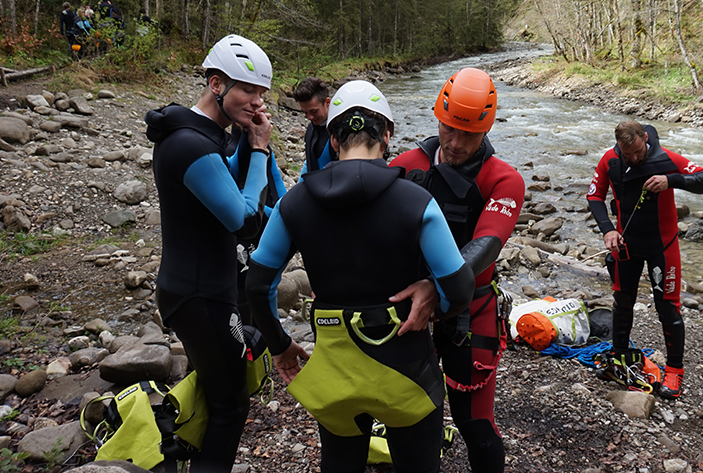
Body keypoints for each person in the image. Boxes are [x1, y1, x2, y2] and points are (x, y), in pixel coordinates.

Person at [246, 80, 475, 473]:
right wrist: (435, 303)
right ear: (386, 136)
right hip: (406, 368)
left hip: (336, 371)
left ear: (333, 141)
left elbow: (258, 285)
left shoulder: (293, 203)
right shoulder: (417, 201)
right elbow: (459, 286)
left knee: (340, 462)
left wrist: (281, 345)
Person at [144, 34, 274, 473]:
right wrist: (257, 149)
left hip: (199, 288)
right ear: (216, 84)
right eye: (247, 90)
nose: (255, 102)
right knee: (230, 407)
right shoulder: (189, 144)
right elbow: (239, 215)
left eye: (261, 93)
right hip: (200, 295)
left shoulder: (203, 136)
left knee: (220, 392)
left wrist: (244, 143)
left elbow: (223, 188)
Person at [390, 67, 525, 473]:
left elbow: (485, 245)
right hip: (408, 309)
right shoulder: (405, 164)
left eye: (470, 134)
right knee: (412, 420)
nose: (456, 143)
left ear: (487, 130)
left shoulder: (504, 179)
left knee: (476, 427)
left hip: (471, 310)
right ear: (438, 118)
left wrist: (437, 286)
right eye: (449, 129)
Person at [586, 121, 703, 400]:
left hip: (663, 246)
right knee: (622, 301)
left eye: (637, 151)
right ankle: (619, 357)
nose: (634, 158)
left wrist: (671, 180)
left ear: (645, 138)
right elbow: (594, 196)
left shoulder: (667, 158)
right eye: (628, 154)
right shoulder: (610, 161)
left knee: (667, 308)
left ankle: (674, 370)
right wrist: (608, 229)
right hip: (626, 246)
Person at [292, 76, 337, 174]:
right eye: (305, 113)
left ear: (327, 103)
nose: (310, 117)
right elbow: (308, 163)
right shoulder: (311, 129)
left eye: (314, 111)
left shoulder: (342, 131)